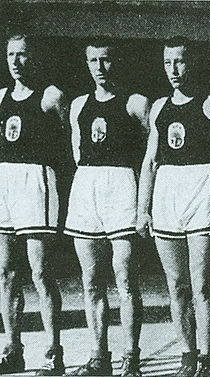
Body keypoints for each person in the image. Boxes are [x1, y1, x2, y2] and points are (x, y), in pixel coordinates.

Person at [137, 36, 210, 377]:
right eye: (168, 63)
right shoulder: (160, 107)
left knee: (202, 284)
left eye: (179, 62)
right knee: (176, 286)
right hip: (167, 193)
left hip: (202, 190)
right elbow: (150, 162)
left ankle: (206, 361)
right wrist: (143, 208)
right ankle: (186, 355)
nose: (174, 70)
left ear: (192, 62)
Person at [65, 38, 149, 376]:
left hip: (121, 186)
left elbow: (151, 154)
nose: (100, 67)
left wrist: (142, 199)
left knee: (125, 279)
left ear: (117, 61)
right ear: (86, 63)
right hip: (87, 187)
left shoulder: (135, 103)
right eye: (93, 61)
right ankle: (99, 357)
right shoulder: (78, 105)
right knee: (91, 280)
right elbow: (76, 150)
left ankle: (131, 357)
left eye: (106, 60)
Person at [0, 33, 67, 376]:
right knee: (6, 271)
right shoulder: (0, 97)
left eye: (22, 55)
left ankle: (53, 352)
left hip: (37, 181)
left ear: (34, 58)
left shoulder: (50, 96)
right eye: (10, 54)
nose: (15, 61)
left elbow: (73, 141)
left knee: (40, 272)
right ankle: (13, 349)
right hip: (5, 183)